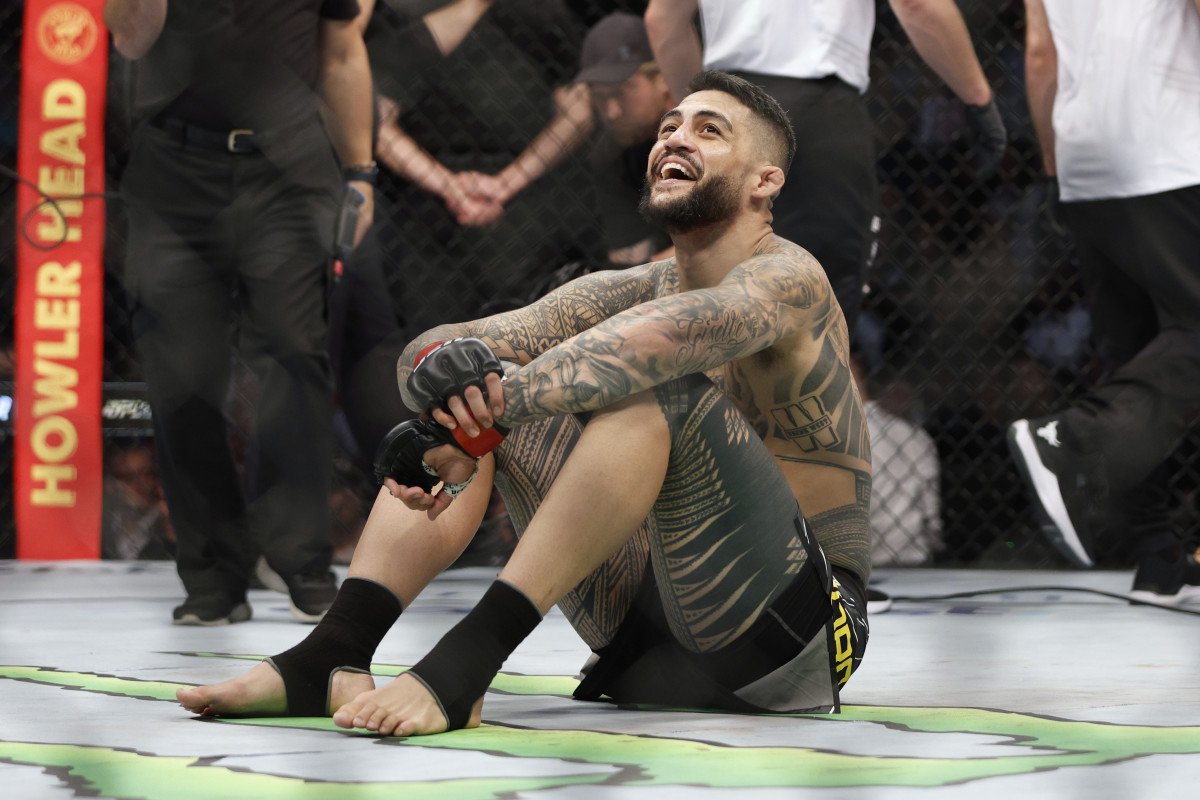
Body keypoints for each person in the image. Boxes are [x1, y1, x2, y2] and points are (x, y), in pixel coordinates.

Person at [176, 71, 872, 735]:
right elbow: (443, 345)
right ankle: (333, 652)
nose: (676, 139)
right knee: (478, 382)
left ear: (765, 181)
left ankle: (463, 665)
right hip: (646, 650)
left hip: (794, 636)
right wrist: (450, 396)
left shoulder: (789, 279)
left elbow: (656, 345)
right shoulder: (637, 284)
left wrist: (488, 412)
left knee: (643, 389)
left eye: (709, 130)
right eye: (669, 126)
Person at [104, 0, 377, 624]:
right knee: (180, 375)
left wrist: (360, 170)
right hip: (175, 166)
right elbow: (131, 41)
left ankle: (302, 560)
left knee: (294, 353)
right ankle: (212, 572)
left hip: (286, 165)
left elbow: (341, 48)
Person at [643, 0, 1007, 337]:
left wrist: (700, 119)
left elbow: (663, 21)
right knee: (816, 317)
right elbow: (917, 5)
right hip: (820, 113)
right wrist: (979, 98)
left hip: (730, 106)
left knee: (709, 300)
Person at [1008, 0, 1200, 606]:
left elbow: (1041, 54)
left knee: (1136, 348)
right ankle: (1077, 441)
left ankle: (1159, 558)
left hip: (1085, 155)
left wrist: (1054, 156)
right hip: (1171, 146)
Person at [367, 0, 604, 335]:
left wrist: (498, 183)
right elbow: (374, 121)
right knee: (440, 338)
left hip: (514, 197)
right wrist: (452, 186)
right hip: (431, 202)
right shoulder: (407, 17)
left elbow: (580, 111)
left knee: (509, 335)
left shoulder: (539, 14)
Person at [573, 11, 675, 266]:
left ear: (661, 78)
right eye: (599, 96)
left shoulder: (713, 131)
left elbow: (743, 238)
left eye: (621, 92)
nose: (611, 112)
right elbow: (629, 259)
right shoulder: (610, 155)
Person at [850, 354, 941, 569]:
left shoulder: (830, 436)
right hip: (912, 557)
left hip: (852, 562)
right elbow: (932, 518)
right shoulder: (916, 437)